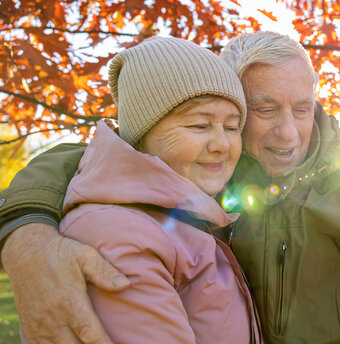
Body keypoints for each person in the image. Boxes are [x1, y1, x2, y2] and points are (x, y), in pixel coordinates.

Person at [0, 31, 340, 343]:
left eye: (303, 109)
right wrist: (25, 235)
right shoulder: (208, 167)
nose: (288, 133)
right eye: (265, 111)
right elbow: (101, 155)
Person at [13, 36, 261, 343]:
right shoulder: (118, 234)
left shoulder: (189, 218)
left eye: (232, 127)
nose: (221, 144)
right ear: (142, 133)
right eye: (199, 125)